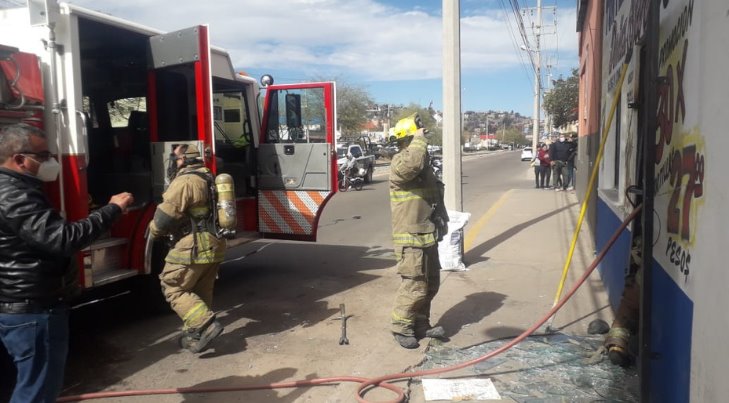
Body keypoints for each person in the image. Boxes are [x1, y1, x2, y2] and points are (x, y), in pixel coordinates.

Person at [0, 123, 133, 403]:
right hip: (34, 309)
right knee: (37, 391)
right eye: (44, 154)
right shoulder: (15, 194)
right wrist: (112, 210)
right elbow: (62, 239)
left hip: (21, 306)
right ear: (20, 159)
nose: (51, 161)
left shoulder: (14, 188)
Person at [149, 144, 226, 353]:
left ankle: (205, 324)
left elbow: (163, 219)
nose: (174, 162)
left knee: (172, 286)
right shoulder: (209, 177)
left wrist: (153, 231)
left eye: (175, 158)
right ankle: (197, 335)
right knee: (200, 291)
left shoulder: (184, 181)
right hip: (215, 244)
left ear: (184, 159)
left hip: (193, 245)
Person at [388, 123, 449, 349]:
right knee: (415, 286)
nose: (424, 143)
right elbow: (410, 165)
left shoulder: (423, 167)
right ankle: (401, 327)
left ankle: (421, 324)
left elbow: (435, 199)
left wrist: (442, 224)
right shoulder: (400, 163)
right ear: (409, 140)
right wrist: (419, 140)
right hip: (410, 238)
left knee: (431, 284)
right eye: (419, 138)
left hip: (427, 235)